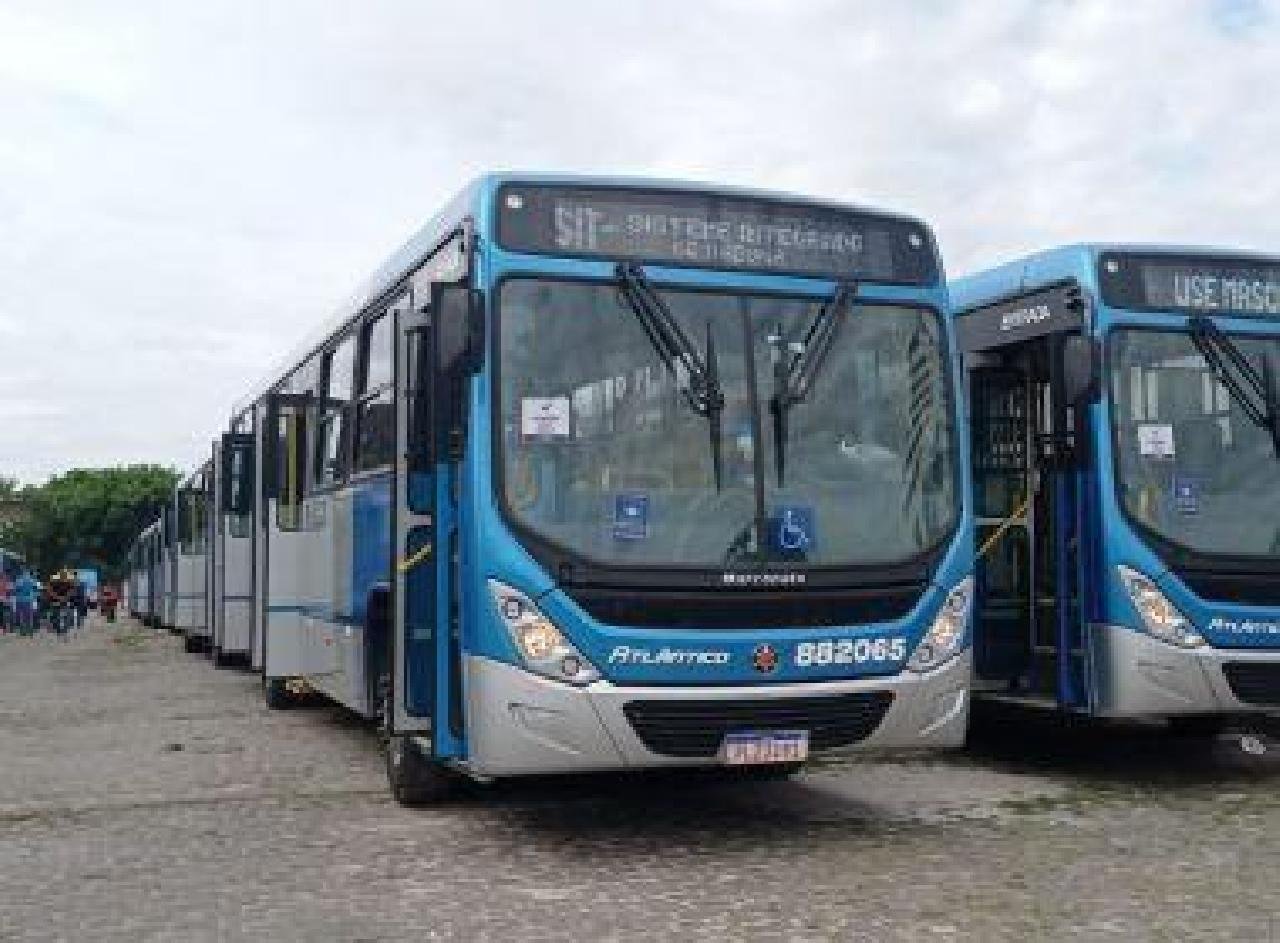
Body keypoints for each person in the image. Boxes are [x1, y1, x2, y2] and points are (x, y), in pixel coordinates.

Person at [13, 569, 38, 637]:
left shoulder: (19, 580)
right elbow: (36, 591)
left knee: (22, 616)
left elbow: (15, 590)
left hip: (20, 600)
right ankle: (30, 631)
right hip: (29, 600)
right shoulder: (33, 581)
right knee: (29, 616)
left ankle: (23, 631)